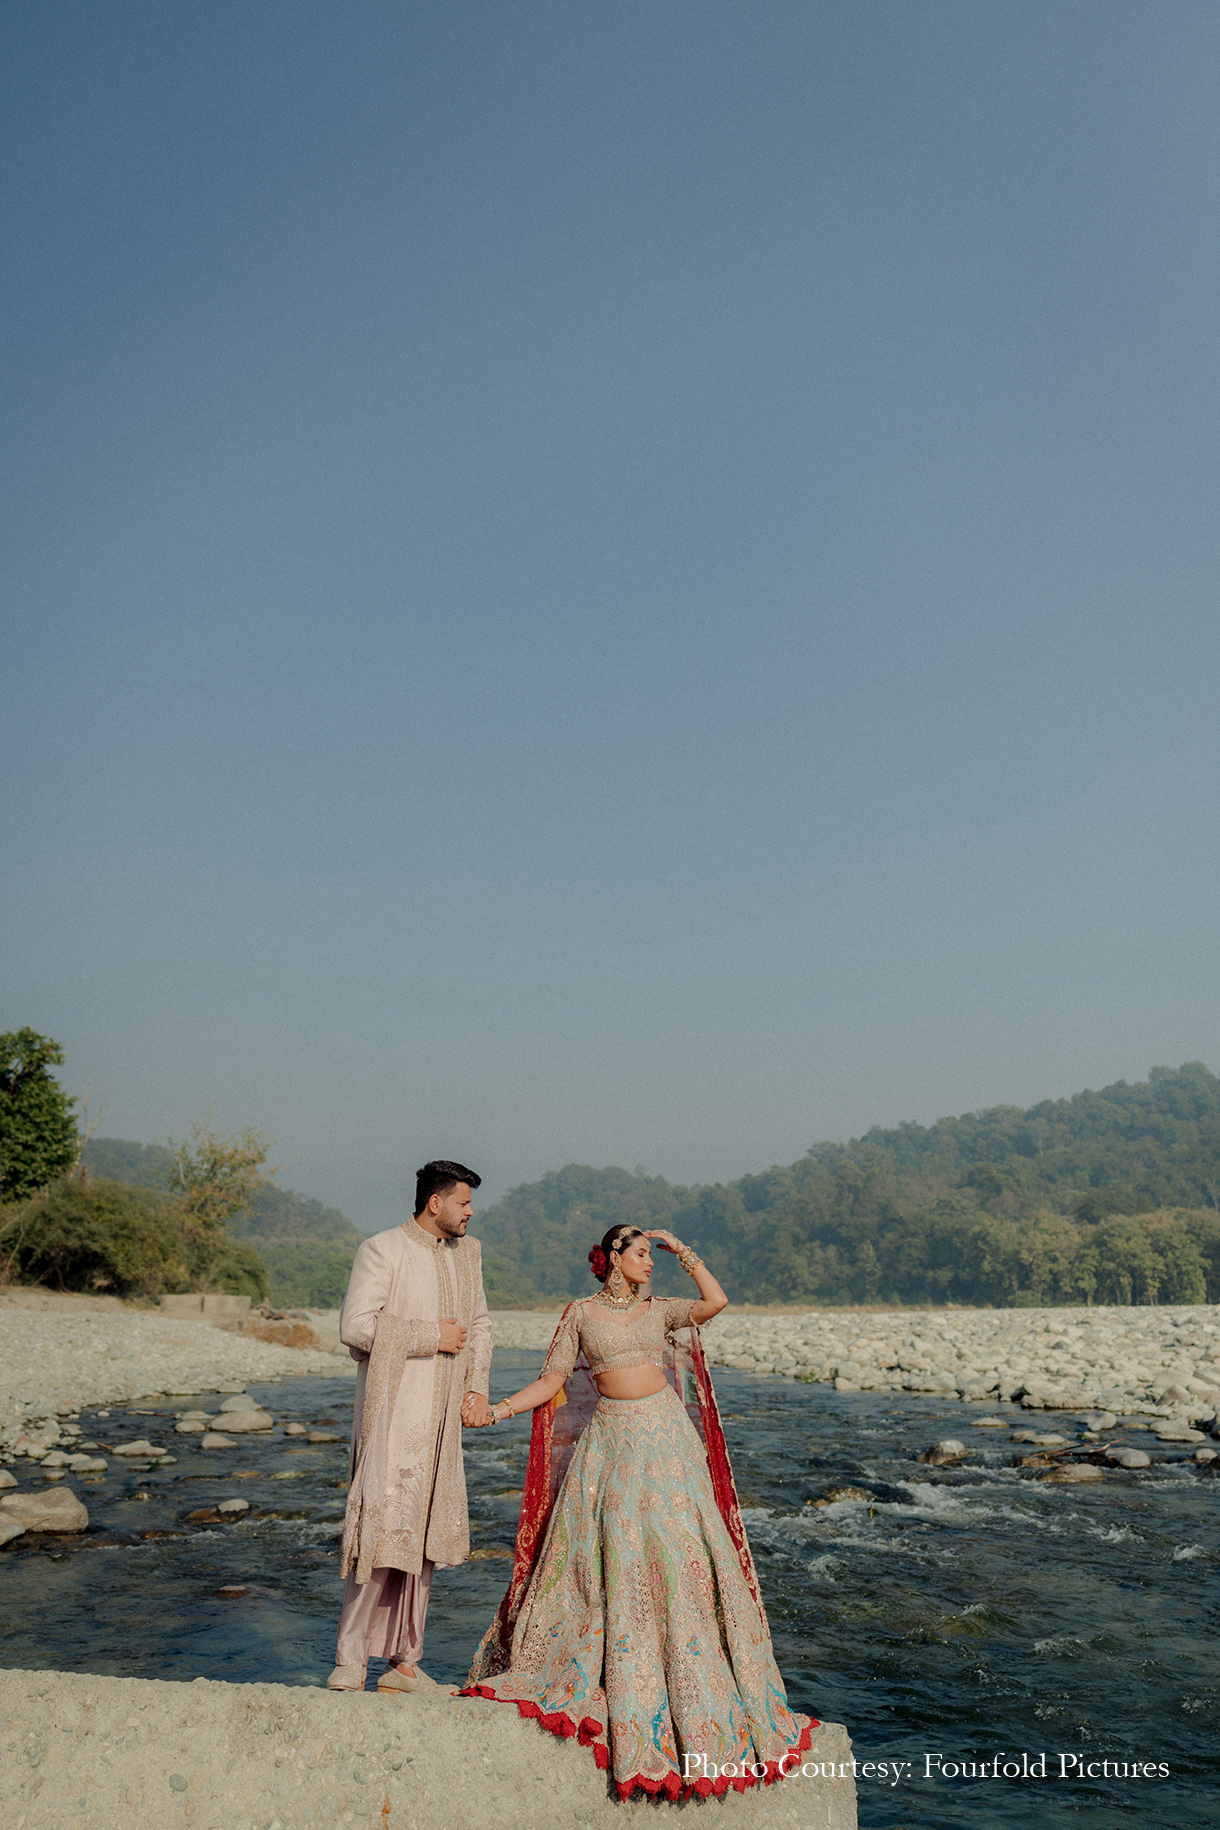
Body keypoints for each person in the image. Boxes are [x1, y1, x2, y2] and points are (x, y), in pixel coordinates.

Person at [461, 1227, 815, 1799]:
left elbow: (715, 1302)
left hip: (666, 1440)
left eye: (654, 1255)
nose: (651, 1264)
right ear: (614, 1260)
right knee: (613, 1560)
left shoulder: (662, 1311)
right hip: (610, 1445)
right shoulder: (580, 1314)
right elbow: (553, 1381)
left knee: (680, 1557)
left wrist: (683, 1249)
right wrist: (498, 1411)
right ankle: (618, 1675)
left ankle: (697, 1683)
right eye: (643, 1254)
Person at [328, 1159, 494, 1693]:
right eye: (464, 1202)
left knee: (422, 1536)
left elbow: (482, 1323)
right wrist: (430, 1336)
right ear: (434, 1202)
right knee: (380, 1529)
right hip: (393, 1416)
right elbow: (354, 1326)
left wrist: (476, 1388)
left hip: (444, 1417)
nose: (470, 1212)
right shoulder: (382, 1249)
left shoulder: (468, 1255)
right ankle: (350, 1659)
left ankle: (404, 1664)